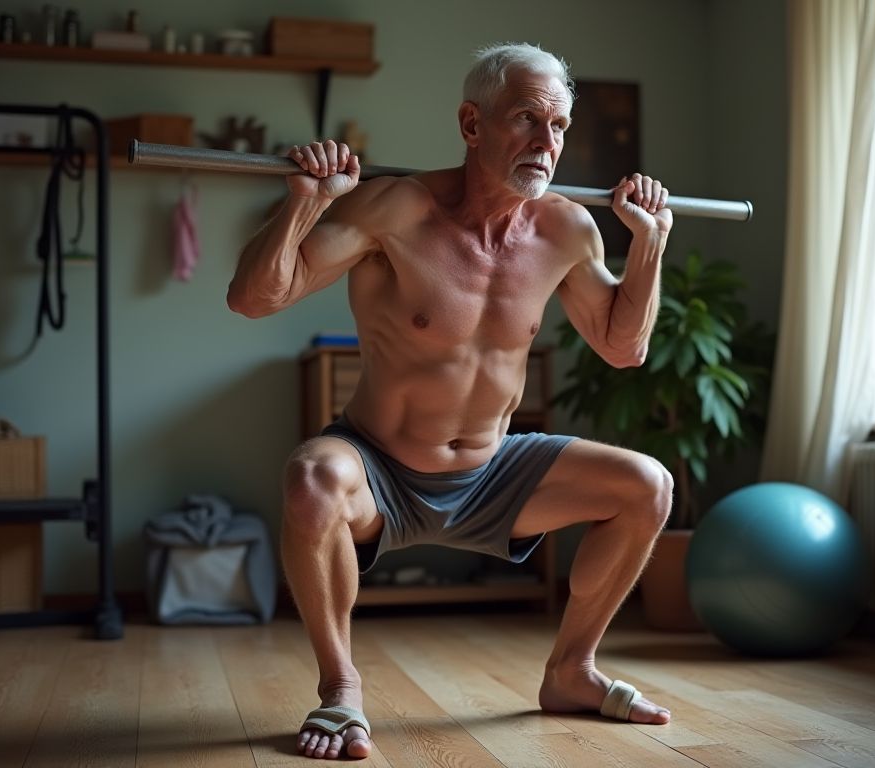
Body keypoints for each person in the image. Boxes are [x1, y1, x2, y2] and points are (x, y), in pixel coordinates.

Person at [228, 42, 675, 761]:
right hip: (380, 469)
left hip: (494, 474)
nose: (546, 142)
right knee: (312, 480)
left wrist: (649, 246)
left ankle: (571, 670)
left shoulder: (566, 227)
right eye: (527, 119)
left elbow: (623, 347)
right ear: (472, 124)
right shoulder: (396, 209)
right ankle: (341, 687)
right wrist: (303, 206)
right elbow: (254, 297)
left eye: (557, 126)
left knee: (647, 487)